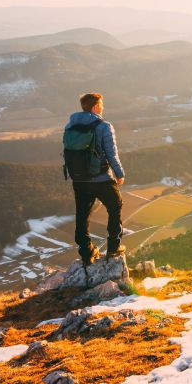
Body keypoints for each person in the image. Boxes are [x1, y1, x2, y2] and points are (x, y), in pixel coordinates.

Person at [65, 92, 126, 267]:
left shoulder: (70, 125)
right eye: (101, 104)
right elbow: (111, 153)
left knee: (82, 214)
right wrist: (119, 174)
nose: (103, 107)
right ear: (95, 107)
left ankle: (86, 251)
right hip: (101, 178)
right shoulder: (104, 126)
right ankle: (114, 247)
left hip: (78, 179)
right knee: (115, 206)